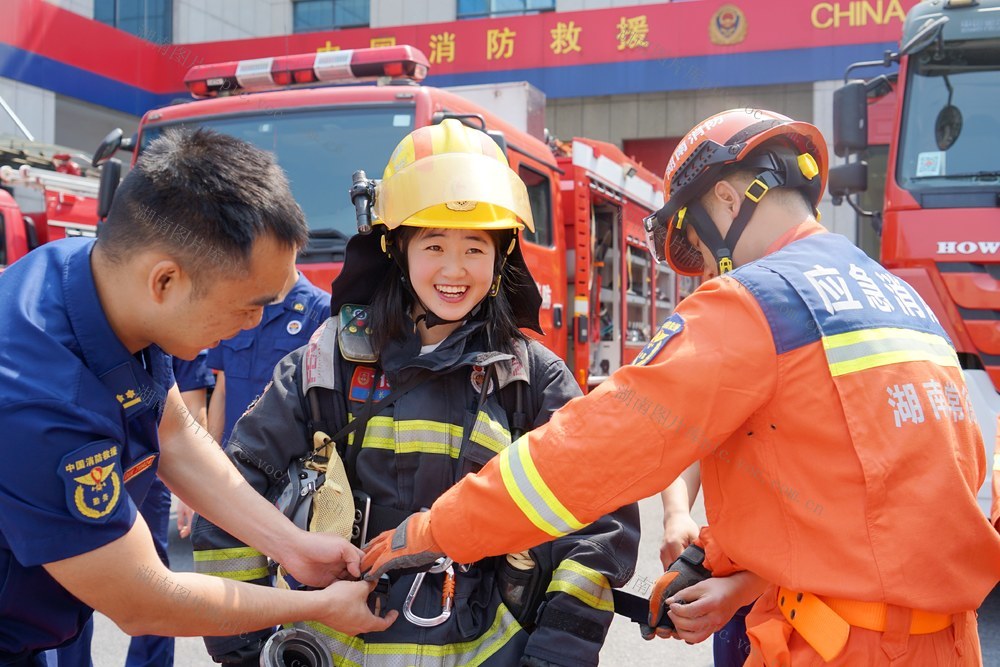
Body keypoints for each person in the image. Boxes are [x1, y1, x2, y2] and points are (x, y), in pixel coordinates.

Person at [363, 109, 1000, 666]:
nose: (702, 266)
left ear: (726, 198)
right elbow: (861, 488)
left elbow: (585, 455)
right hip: (948, 642)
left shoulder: (759, 301)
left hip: (840, 648)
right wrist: (714, 560)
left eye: (693, 236)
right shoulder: (899, 298)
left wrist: (432, 533)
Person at [192, 118, 639, 666]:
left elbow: (598, 525)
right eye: (433, 244)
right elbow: (230, 496)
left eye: (475, 247)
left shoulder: (532, 380)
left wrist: (553, 657)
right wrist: (243, 650)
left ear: (502, 257)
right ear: (396, 248)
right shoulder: (327, 363)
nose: (455, 269)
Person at [0, 128, 392, 663]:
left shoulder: (92, 280)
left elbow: (175, 434)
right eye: (248, 306)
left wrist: (292, 546)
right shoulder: (37, 402)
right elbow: (141, 599)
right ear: (165, 282)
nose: (253, 324)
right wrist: (316, 606)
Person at [206, 270, 330, 448]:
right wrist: (213, 451)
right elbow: (222, 390)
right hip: (232, 456)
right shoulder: (232, 307)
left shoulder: (322, 310)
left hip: (287, 458)